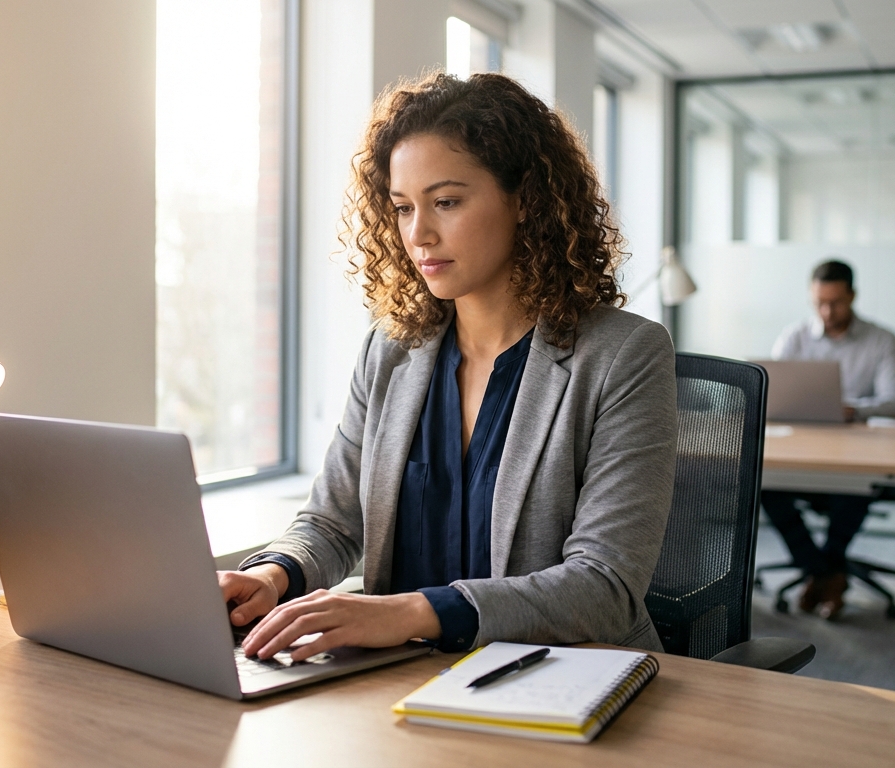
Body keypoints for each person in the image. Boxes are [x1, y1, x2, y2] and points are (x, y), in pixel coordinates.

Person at [218, 72, 679, 662]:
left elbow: (605, 586)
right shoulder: (390, 351)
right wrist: (275, 575)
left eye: (446, 202)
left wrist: (409, 612)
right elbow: (332, 523)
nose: (419, 234)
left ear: (525, 200)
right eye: (404, 208)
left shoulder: (623, 356)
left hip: (555, 681)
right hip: (396, 681)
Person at [762, 259, 895, 619]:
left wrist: (852, 410)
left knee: (852, 487)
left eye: (836, 302)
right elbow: (774, 393)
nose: (827, 311)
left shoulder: (882, 341)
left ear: (853, 296)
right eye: (819, 303)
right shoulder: (794, 337)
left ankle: (820, 573)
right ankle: (826, 572)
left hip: (858, 452)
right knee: (762, 482)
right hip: (801, 448)